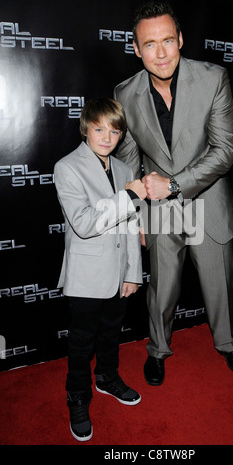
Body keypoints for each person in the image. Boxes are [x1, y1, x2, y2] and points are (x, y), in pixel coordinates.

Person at [114, 1, 233, 386]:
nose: (161, 53)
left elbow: (224, 152)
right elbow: (128, 163)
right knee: (161, 290)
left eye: (168, 41)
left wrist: (174, 184)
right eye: (150, 44)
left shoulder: (213, 78)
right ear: (137, 49)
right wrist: (137, 216)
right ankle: (157, 350)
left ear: (181, 40)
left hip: (207, 199)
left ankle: (227, 343)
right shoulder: (125, 95)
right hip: (159, 209)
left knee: (218, 283)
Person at [54, 98, 147, 442]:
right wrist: (127, 197)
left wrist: (132, 273)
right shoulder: (67, 167)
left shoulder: (124, 170)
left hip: (118, 273)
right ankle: (77, 396)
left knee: (111, 335)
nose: (107, 137)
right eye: (99, 129)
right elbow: (83, 223)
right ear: (85, 129)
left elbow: (131, 226)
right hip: (87, 275)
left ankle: (107, 379)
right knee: (82, 343)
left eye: (114, 130)